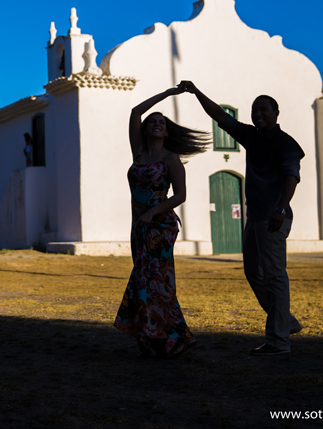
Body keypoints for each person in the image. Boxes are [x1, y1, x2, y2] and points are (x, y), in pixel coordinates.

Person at [182, 80, 304, 355]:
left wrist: (281, 208)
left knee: (274, 276)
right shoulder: (251, 136)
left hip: (274, 217)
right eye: (254, 110)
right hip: (256, 217)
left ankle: (278, 341)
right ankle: (286, 322)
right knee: (253, 272)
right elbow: (220, 116)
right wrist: (196, 92)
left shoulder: (285, 143)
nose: (258, 114)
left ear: (276, 113)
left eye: (263, 110)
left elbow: (292, 176)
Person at [113, 85, 210, 358]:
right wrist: (168, 94)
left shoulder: (171, 159)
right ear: (145, 130)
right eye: (152, 122)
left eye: (162, 123)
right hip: (139, 225)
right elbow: (136, 112)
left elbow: (180, 195)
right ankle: (151, 339)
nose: (156, 124)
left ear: (166, 132)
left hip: (160, 226)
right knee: (142, 279)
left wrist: (152, 212)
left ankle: (180, 336)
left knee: (157, 280)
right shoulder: (139, 153)